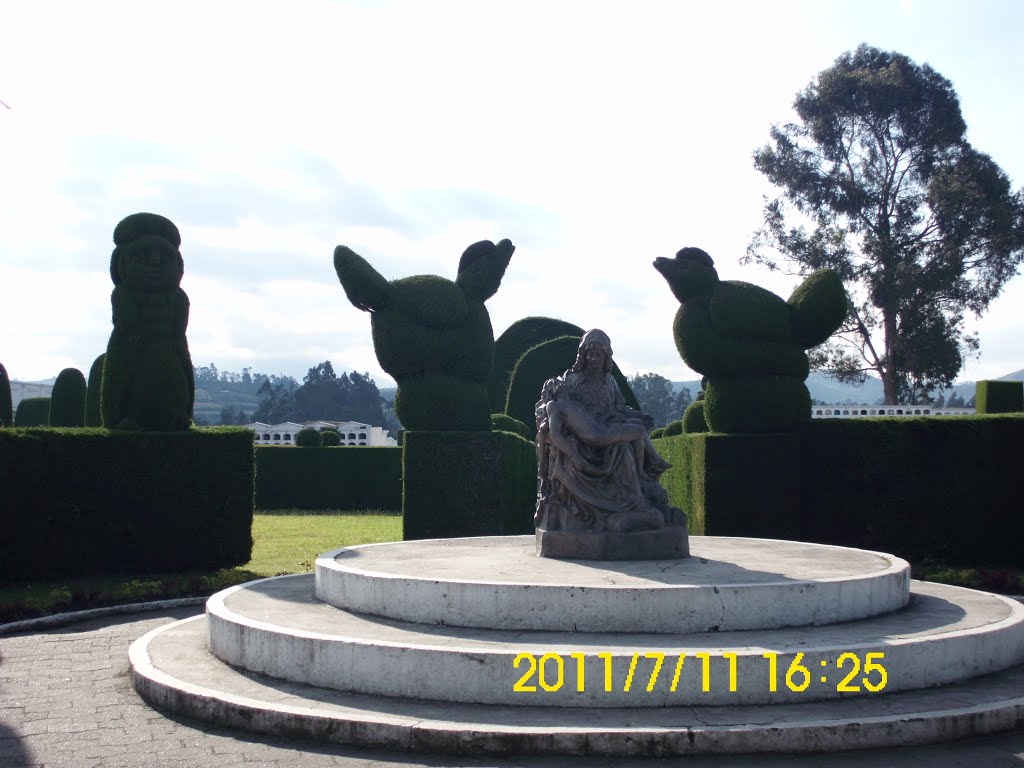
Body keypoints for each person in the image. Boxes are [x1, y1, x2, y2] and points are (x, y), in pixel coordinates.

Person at [535, 329, 678, 533]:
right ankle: (631, 502)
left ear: (606, 357)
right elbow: (556, 418)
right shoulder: (572, 382)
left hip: (607, 429)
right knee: (621, 447)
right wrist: (575, 453)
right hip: (586, 442)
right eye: (590, 354)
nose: (593, 359)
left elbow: (618, 409)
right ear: (583, 356)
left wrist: (636, 416)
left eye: (598, 354)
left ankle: (638, 490)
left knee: (628, 440)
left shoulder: (610, 383)